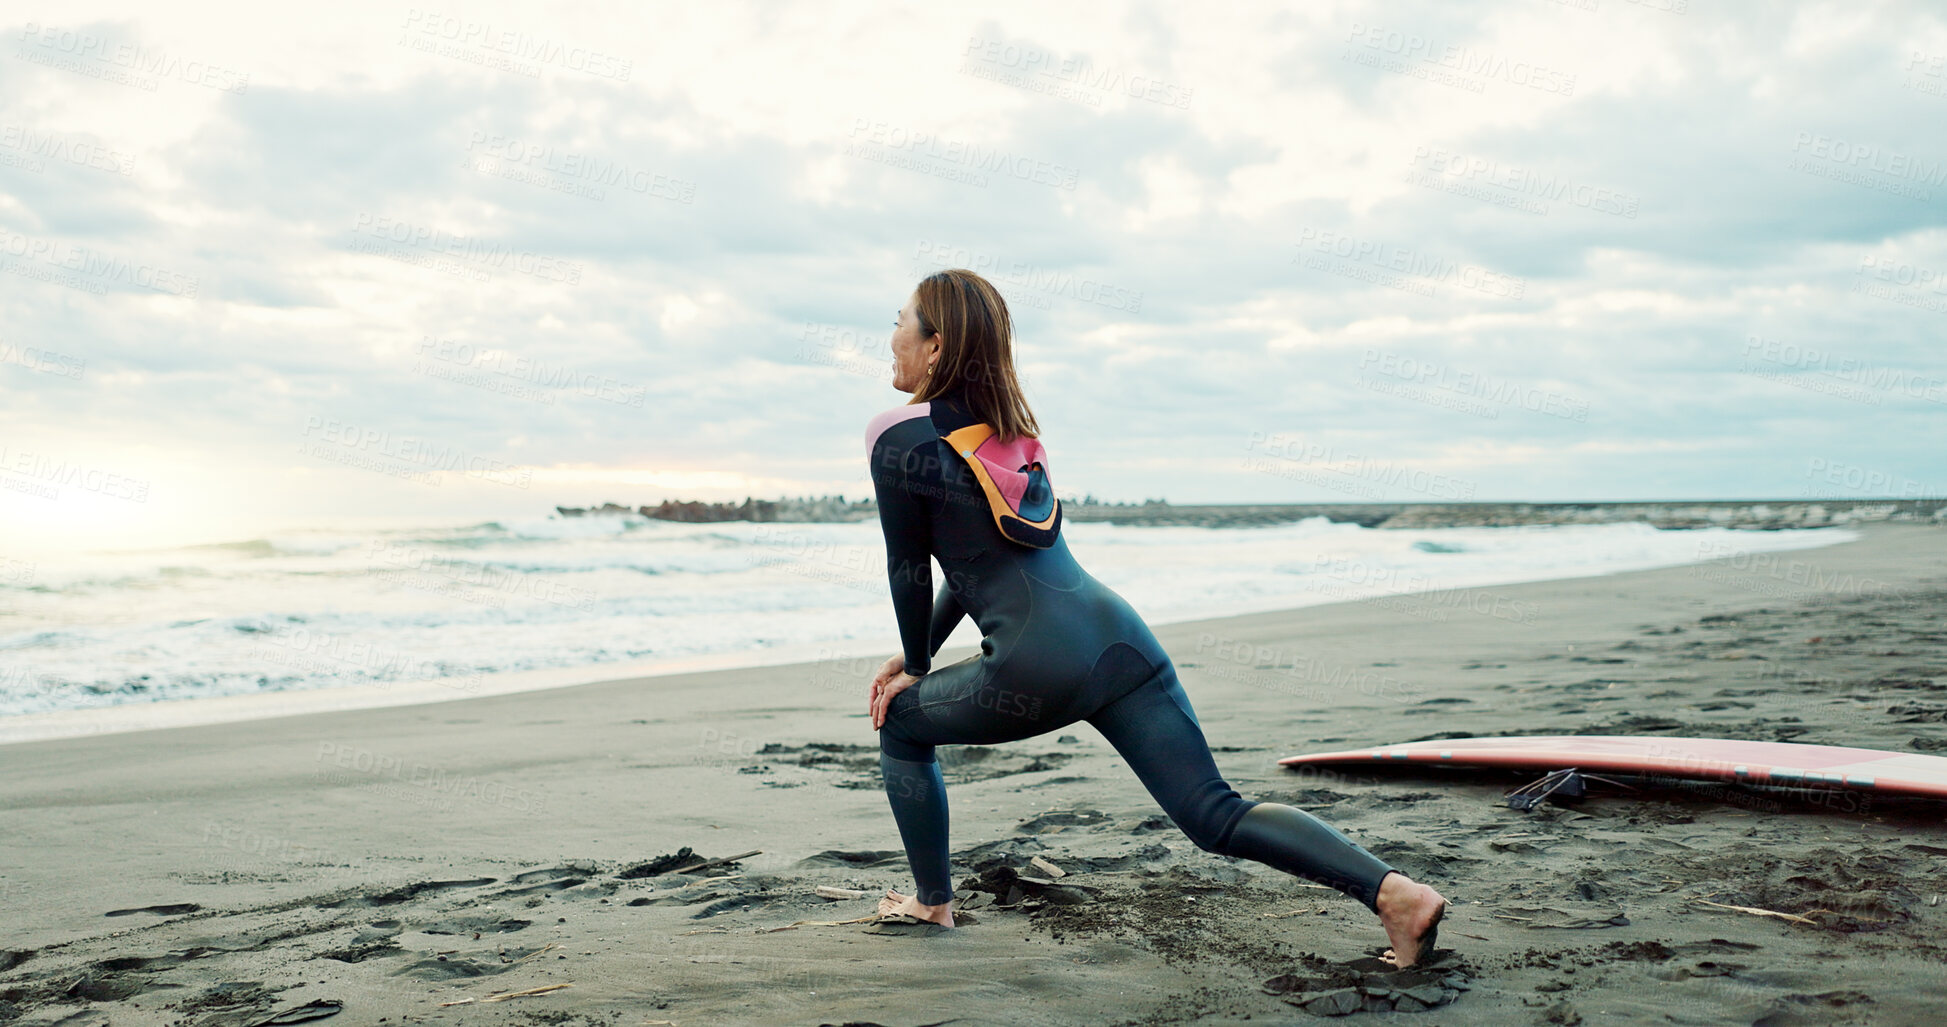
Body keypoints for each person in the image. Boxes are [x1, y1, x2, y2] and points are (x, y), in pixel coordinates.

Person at [862, 269, 1448, 967]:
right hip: (1117, 639)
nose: (889, 335)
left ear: (935, 346)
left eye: (900, 319)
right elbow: (979, 560)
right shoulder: (1015, 437)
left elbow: (911, 566)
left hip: (1033, 661)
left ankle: (932, 901)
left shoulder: (897, 435)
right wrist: (918, 651)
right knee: (1213, 811)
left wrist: (917, 669)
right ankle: (1395, 893)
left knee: (899, 722)